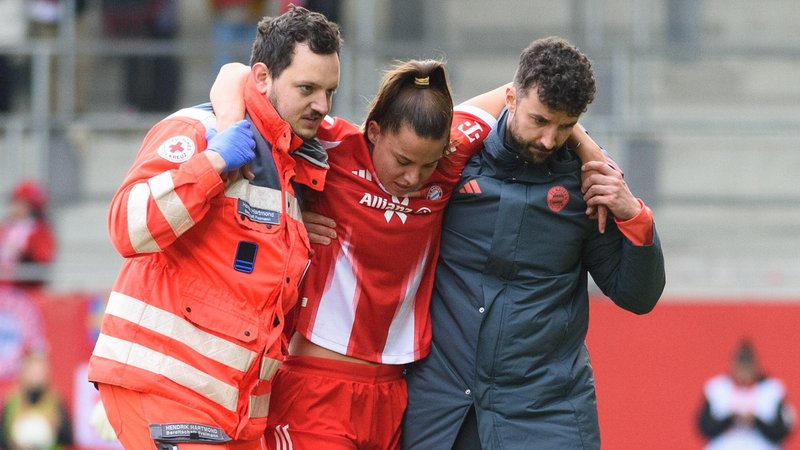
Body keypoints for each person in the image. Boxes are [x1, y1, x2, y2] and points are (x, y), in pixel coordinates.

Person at [210, 53, 608, 448]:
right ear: (374, 131)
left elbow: (517, 97)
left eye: (426, 165)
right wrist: (287, 204)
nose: (413, 177)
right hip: (316, 382)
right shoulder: (336, 146)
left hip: (394, 392)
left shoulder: (446, 160)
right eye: (402, 160)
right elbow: (238, 74)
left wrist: (587, 148)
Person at [87, 6, 342, 449]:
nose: (321, 104)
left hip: (234, 410)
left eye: (329, 91)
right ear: (262, 78)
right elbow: (126, 227)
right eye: (307, 88)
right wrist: (213, 162)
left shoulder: (294, 161)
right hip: (167, 388)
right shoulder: (200, 129)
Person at [401, 36, 666, 450]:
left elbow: (638, 295)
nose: (548, 139)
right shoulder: (452, 159)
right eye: (539, 120)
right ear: (510, 97)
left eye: (564, 126)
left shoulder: (589, 184)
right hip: (443, 412)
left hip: (547, 418)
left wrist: (634, 214)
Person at [698, 339, 795, 449]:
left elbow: (783, 430)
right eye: (741, 364)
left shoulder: (773, 390)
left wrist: (755, 421)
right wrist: (730, 419)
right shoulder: (717, 389)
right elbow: (704, 427)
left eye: (748, 365)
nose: (744, 371)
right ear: (733, 364)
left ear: (756, 365)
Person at [0, 350, 73, 449]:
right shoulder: (12, 401)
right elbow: (3, 437)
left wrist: (56, 428)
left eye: (40, 372)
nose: (36, 377)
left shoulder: (56, 401)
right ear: (24, 373)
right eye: (33, 372)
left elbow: (68, 438)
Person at [0, 180, 57, 291]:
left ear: (33, 207)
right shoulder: (6, 227)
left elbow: (42, 261)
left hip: (24, 291)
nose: (16, 207)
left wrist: (22, 256)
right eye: (15, 202)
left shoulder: (40, 231)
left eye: (22, 203)